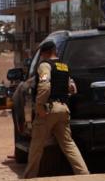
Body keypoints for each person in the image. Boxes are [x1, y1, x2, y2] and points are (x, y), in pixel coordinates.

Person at [22, 40, 89, 178]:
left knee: (36, 147)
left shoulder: (45, 65)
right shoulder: (64, 67)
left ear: (45, 53)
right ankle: (84, 175)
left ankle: (29, 177)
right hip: (63, 109)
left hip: (48, 110)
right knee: (69, 145)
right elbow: (73, 88)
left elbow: (45, 86)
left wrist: (40, 105)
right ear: (55, 51)